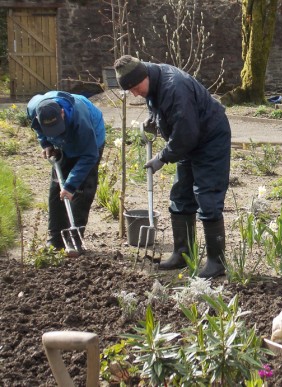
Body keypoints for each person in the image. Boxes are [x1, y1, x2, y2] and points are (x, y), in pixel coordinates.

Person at [114, 55, 231, 278]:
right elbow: (160, 107)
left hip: (209, 138)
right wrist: (154, 118)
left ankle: (217, 262)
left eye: (135, 88)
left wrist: (162, 157)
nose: (135, 93)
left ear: (143, 76)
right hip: (187, 140)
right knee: (180, 195)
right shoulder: (152, 80)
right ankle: (182, 254)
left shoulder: (175, 87)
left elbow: (187, 133)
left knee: (207, 195)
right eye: (130, 90)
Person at [27, 91, 106, 256]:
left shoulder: (81, 119)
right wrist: (46, 143)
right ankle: (55, 239)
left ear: (62, 113)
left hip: (91, 141)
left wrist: (71, 186)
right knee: (57, 188)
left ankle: (74, 239)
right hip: (63, 144)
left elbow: (89, 155)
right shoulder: (34, 109)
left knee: (82, 189)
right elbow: (38, 129)